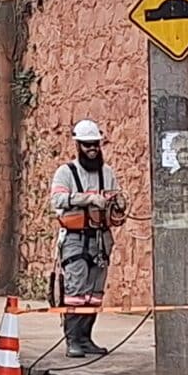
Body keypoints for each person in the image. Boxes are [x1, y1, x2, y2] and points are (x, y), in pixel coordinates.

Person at [50, 120, 126, 359]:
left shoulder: (107, 173)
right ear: (78, 146)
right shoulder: (66, 173)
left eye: (95, 145)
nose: (92, 149)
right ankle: (73, 339)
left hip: (100, 238)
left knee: (94, 293)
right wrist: (87, 199)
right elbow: (57, 201)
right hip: (75, 238)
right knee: (75, 289)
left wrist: (118, 205)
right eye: (87, 145)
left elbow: (115, 201)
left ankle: (85, 338)